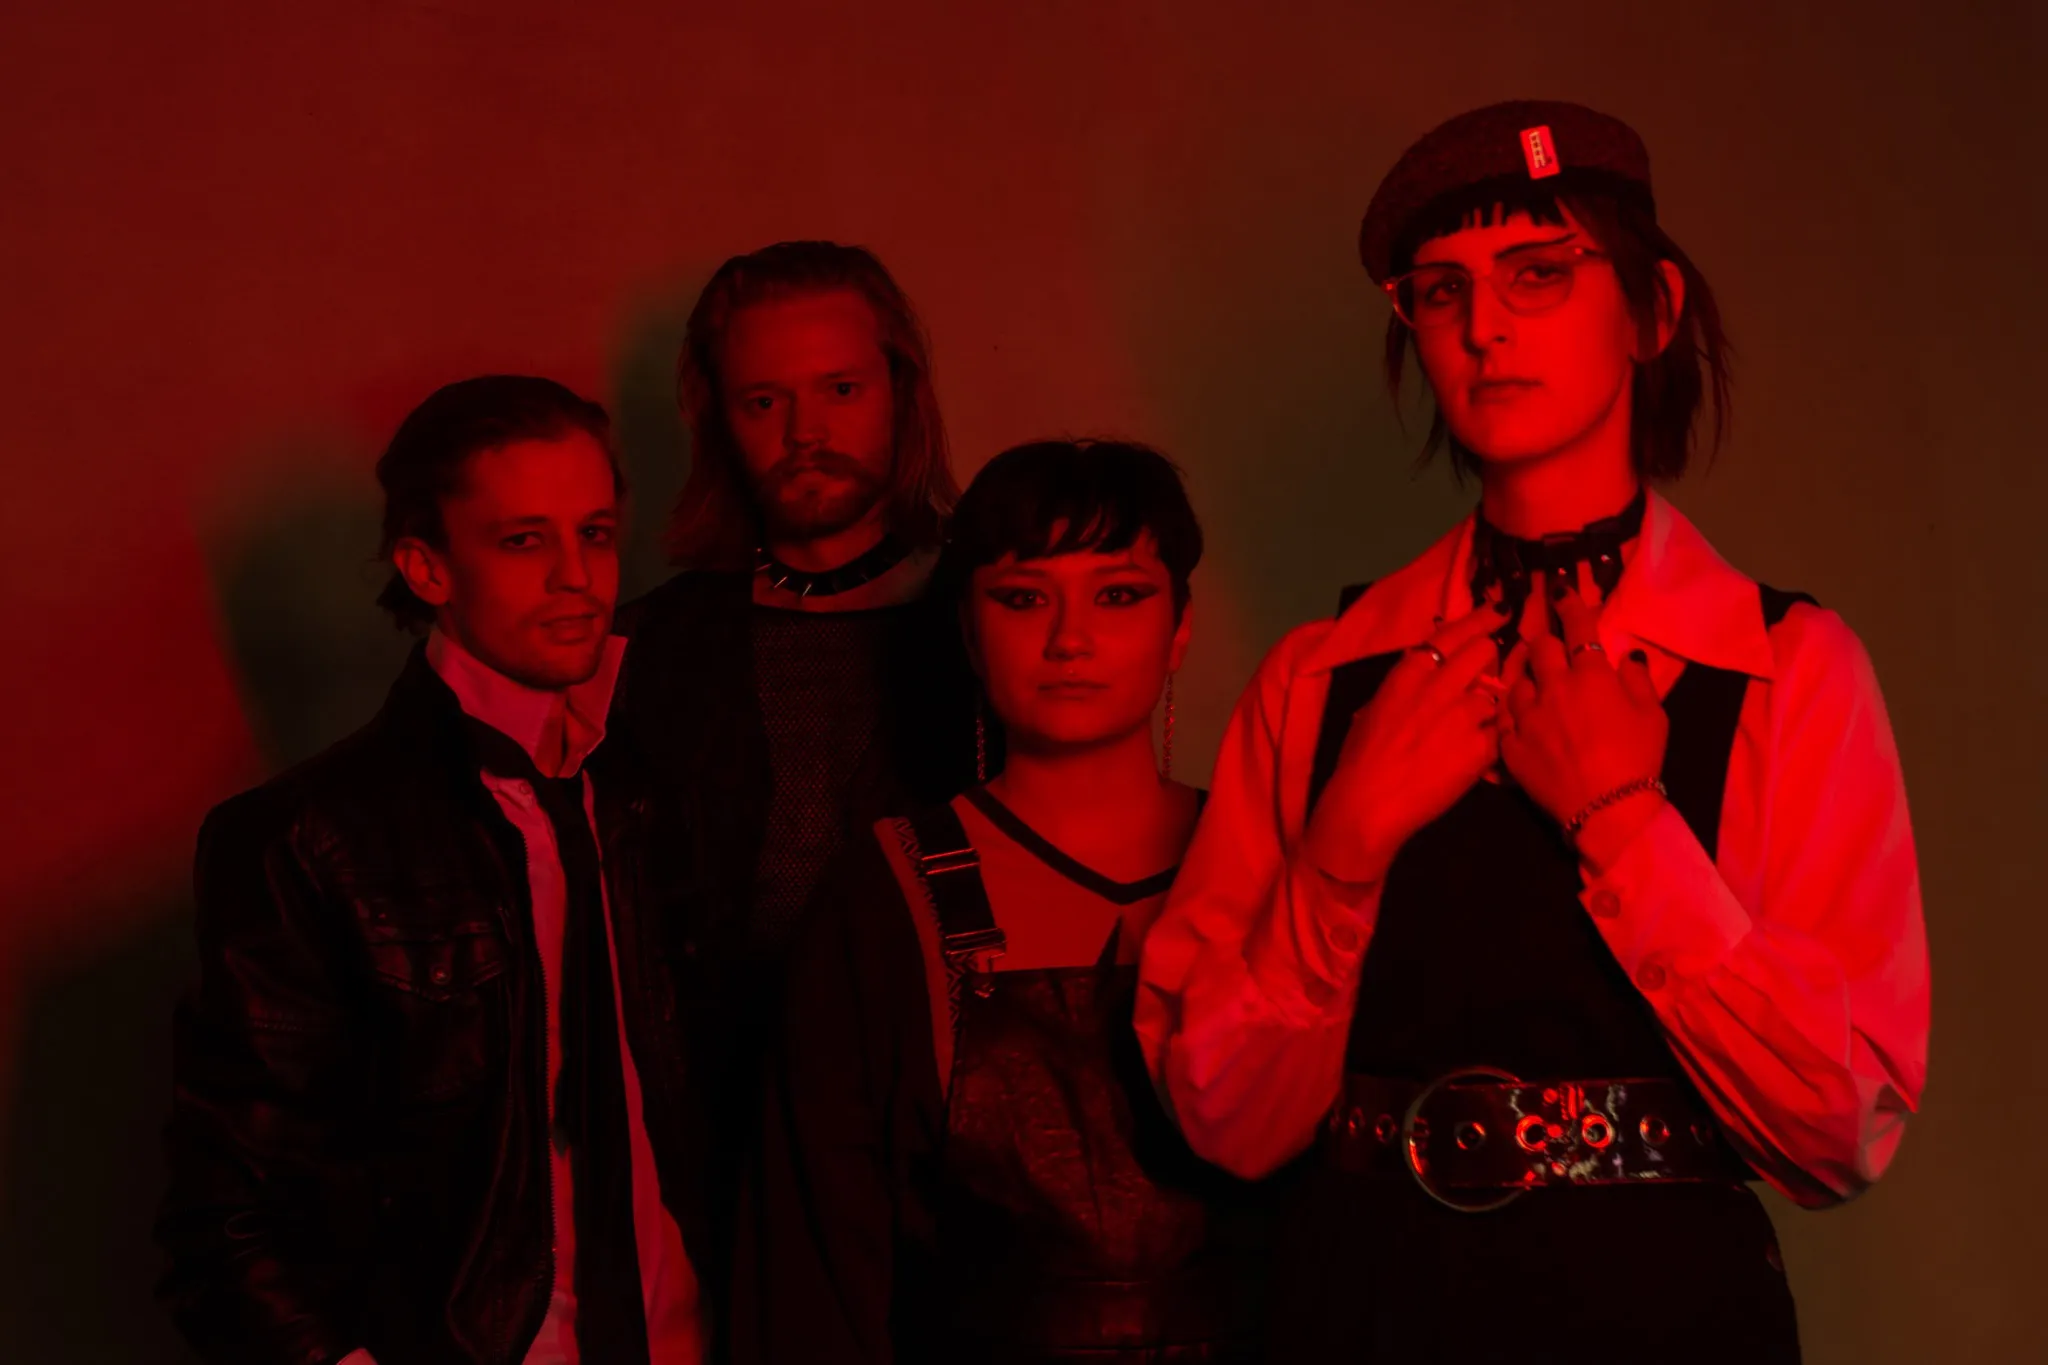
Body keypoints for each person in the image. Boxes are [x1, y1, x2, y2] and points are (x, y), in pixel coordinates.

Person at [1137, 101, 1929, 1362]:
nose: (1483, 327)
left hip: (1667, 1317)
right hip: (1356, 1308)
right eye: (1437, 291)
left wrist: (1624, 823)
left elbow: (1838, 1132)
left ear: (1652, 312)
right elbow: (1225, 1123)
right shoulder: (1317, 677)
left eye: (1537, 273)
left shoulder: (1789, 668)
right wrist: (1340, 848)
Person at [158, 377, 706, 1364]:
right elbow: (227, 1208)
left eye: (594, 532)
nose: (577, 577)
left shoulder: (659, 794)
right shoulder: (306, 839)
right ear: (426, 566)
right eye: (524, 541)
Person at [743, 440, 1268, 1364]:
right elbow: (817, 1274)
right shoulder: (883, 899)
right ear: (967, 630)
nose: (1071, 639)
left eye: (1119, 594)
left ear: (1180, 626)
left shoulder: (1279, 868)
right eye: (1025, 597)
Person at [608, 241, 977, 1319]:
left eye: (841, 390)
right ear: (716, 415)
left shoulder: (997, 622)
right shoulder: (653, 654)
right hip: (716, 1160)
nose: (806, 434)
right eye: (764, 399)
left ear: (899, 393)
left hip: (954, 1161)